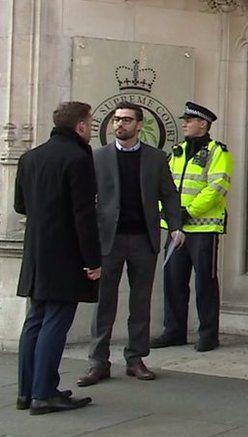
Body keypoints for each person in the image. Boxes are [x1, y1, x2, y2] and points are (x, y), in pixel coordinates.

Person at [75, 102, 185, 387]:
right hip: (107, 241)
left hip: (143, 239)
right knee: (104, 303)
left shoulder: (155, 158)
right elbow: (86, 199)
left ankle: (135, 358)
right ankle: (98, 362)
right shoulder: (98, 157)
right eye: (116, 119)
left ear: (139, 125)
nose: (119, 125)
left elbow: (169, 195)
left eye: (126, 120)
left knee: (140, 301)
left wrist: (175, 227)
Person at [14, 101, 102, 414]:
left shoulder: (30, 158)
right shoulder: (78, 158)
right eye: (89, 123)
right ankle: (44, 393)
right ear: (79, 126)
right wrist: (93, 260)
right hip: (66, 253)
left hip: (36, 251)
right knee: (55, 322)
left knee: (35, 321)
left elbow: (20, 206)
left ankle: (27, 391)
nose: (90, 128)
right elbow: (84, 215)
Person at [151, 102, 234, 352]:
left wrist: (187, 212)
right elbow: (162, 185)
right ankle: (174, 331)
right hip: (177, 228)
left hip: (204, 230)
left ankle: (208, 334)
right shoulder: (176, 152)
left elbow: (217, 187)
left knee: (205, 284)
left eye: (189, 120)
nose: (184, 123)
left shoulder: (218, 152)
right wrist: (165, 211)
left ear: (203, 124)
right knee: (173, 280)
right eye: (184, 120)